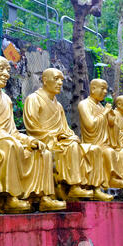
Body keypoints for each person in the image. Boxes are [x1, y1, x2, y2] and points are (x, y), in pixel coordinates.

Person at [0, 56, 65, 212]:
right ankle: (8, 198)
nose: (6, 74)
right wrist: (1, 137)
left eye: (8, 70)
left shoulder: (6, 100)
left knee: (41, 150)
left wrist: (28, 140)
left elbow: (12, 131)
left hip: (9, 141)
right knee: (10, 145)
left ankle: (42, 197)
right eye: (1, 69)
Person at [23, 68, 112, 201]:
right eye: (56, 79)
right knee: (72, 147)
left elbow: (65, 128)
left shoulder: (58, 105)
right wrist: (56, 136)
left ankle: (95, 188)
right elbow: (32, 127)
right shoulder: (33, 99)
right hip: (46, 141)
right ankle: (74, 186)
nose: (60, 83)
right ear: (45, 80)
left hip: (61, 141)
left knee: (94, 149)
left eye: (62, 80)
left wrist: (70, 135)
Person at [78, 79, 123, 190]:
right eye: (102, 88)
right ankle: (111, 179)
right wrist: (104, 113)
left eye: (106, 89)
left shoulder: (101, 107)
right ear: (93, 89)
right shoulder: (83, 104)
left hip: (106, 142)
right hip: (93, 142)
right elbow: (90, 125)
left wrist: (111, 122)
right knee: (109, 152)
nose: (105, 92)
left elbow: (109, 129)